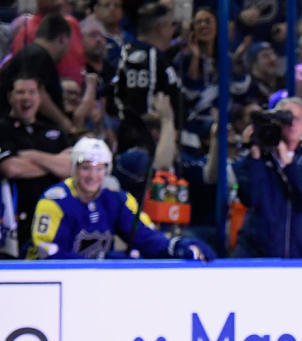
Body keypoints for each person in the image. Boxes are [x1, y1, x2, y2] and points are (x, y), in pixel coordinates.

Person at [26, 137, 214, 261]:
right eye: (86, 168)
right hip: (46, 283)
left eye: (99, 168)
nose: (93, 175)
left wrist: (174, 246)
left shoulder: (116, 200)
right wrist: (102, 261)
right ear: (74, 168)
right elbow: (48, 252)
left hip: (93, 282)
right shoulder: (54, 202)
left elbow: (144, 236)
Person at [232, 97, 302, 258]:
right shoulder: (258, 160)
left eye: (297, 119)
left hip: (300, 254)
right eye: (286, 118)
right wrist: (255, 155)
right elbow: (250, 198)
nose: (292, 124)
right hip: (257, 254)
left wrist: (289, 165)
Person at [0, 73, 72, 258]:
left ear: (40, 97)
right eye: (20, 92)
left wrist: (32, 156)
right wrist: (54, 162)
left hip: (55, 219)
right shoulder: (3, 129)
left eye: (32, 92)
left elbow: (71, 167)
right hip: (15, 223)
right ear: (10, 97)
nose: (26, 98)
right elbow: (11, 168)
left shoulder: (53, 130)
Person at [112, 2, 180, 153]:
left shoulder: (126, 51)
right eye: (171, 25)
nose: (173, 31)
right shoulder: (149, 57)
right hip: (149, 143)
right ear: (161, 27)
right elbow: (142, 105)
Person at [0, 13, 75, 133]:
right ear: (62, 38)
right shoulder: (37, 55)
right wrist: (64, 123)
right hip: (21, 133)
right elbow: (37, 92)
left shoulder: (32, 53)